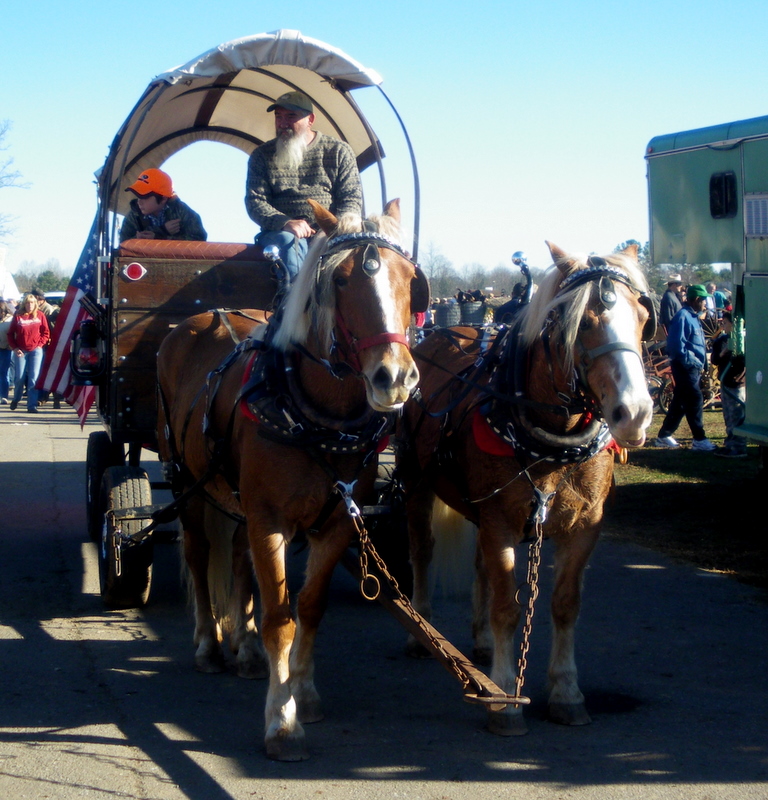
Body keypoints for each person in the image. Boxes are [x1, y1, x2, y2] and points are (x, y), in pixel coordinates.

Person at [245, 91, 362, 280]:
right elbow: (255, 202)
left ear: (310, 120)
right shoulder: (262, 155)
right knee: (290, 242)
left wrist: (333, 230)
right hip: (280, 235)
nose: (283, 123)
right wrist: (285, 223)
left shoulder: (339, 151)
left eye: (291, 116)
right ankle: (295, 304)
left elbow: (351, 200)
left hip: (330, 233)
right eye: (278, 116)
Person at [654, 284, 716, 451]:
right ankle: (699, 439)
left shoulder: (693, 317)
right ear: (696, 300)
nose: (705, 304)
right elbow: (675, 346)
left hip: (691, 367)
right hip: (685, 366)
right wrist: (693, 362)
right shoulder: (682, 317)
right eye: (703, 300)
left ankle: (664, 435)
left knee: (680, 401)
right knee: (695, 399)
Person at [120, 168, 207, 242]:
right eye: (138, 195)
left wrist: (161, 237)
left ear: (163, 199)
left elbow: (199, 241)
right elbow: (122, 246)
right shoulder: (133, 216)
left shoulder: (182, 211)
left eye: (145, 196)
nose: (139, 201)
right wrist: (161, 230)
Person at [710, 311, 747, 458]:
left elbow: (742, 362)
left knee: (737, 414)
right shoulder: (722, 340)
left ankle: (739, 446)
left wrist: (734, 353)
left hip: (737, 383)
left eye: (725, 323)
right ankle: (729, 443)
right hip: (725, 382)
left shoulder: (742, 340)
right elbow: (714, 360)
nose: (723, 326)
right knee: (728, 415)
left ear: (734, 324)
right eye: (722, 323)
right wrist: (721, 354)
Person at [8, 293, 50, 413]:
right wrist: (15, 348)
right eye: (27, 303)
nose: (30, 305)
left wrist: (40, 345)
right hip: (21, 350)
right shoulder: (18, 316)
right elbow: (10, 334)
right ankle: (16, 398)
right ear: (24, 304)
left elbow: (46, 332)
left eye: (32, 303)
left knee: (33, 378)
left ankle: (32, 406)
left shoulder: (40, 315)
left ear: (35, 304)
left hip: (36, 350)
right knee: (19, 378)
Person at [0, 300, 13, 404]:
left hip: (5, 349)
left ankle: (4, 395)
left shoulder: (10, 320)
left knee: (3, 373)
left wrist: (11, 345)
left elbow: (14, 333)